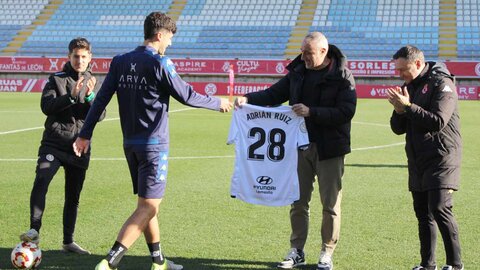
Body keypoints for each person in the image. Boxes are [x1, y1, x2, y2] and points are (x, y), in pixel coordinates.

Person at [73, 12, 232, 270]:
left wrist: (85, 134)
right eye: (169, 37)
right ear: (159, 35)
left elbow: (100, 99)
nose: (170, 43)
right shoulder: (161, 63)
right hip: (154, 147)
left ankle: (158, 262)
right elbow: (187, 95)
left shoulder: (120, 62)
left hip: (130, 146)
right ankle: (109, 262)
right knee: (148, 208)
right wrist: (218, 103)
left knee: (147, 204)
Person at [235, 32, 356, 270]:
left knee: (330, 204)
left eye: (308, 53)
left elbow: (346, 111)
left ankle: (326, 252)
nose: (304, 57)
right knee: (298, 201)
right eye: (302, 51)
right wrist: (247, 98)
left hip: (330, 148)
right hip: (299, 147)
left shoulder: (343, 76)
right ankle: (297, 250)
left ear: (323, 51)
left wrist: (312, 112)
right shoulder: (298, 71)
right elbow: (273, 94)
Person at [20, 37, 104, 255]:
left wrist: (90, 97)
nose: (79, 60)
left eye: (84, 56)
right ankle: (34, 229)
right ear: (69, 56)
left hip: (79, 147)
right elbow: (46, 106)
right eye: (76, 56)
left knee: (73, 196)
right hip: (54, 143)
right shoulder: (56, 79)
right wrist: (72, 97)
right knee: (42, 179)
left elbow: (101, 114)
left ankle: (68, 242)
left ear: (90, 58)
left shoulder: (93, 81)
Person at [387, 45, 464, 270]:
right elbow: (397, 128)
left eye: (403, 69)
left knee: (440, 208)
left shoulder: (443, 84)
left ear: (418, 64)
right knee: (423, 213)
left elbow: (438, 121)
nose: (399, 74)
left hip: (442, 156)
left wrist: (408, 107)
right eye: (397, 70)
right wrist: (399, 111)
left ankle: (455, 265)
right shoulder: (408, 86)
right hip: (418, 158)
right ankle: (427, 264)